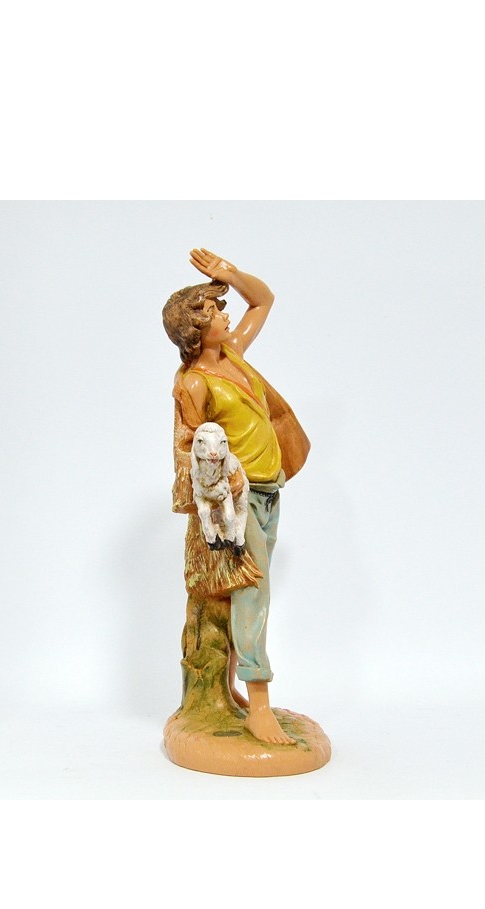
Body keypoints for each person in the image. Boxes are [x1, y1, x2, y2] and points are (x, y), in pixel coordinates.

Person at [163, 248, 310, 745]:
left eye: (220, 307)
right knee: (252, 591)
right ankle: (259, 702)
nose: (224, 316)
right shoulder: (194, 382)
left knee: (243, 591)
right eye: (213, 311)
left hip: (270, 489)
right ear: (195, 330)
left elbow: (263, 301)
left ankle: (225, 692)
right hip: (236, 500)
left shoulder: (235, 356)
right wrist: (215, 489)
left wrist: (229, 274)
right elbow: (187, 447)